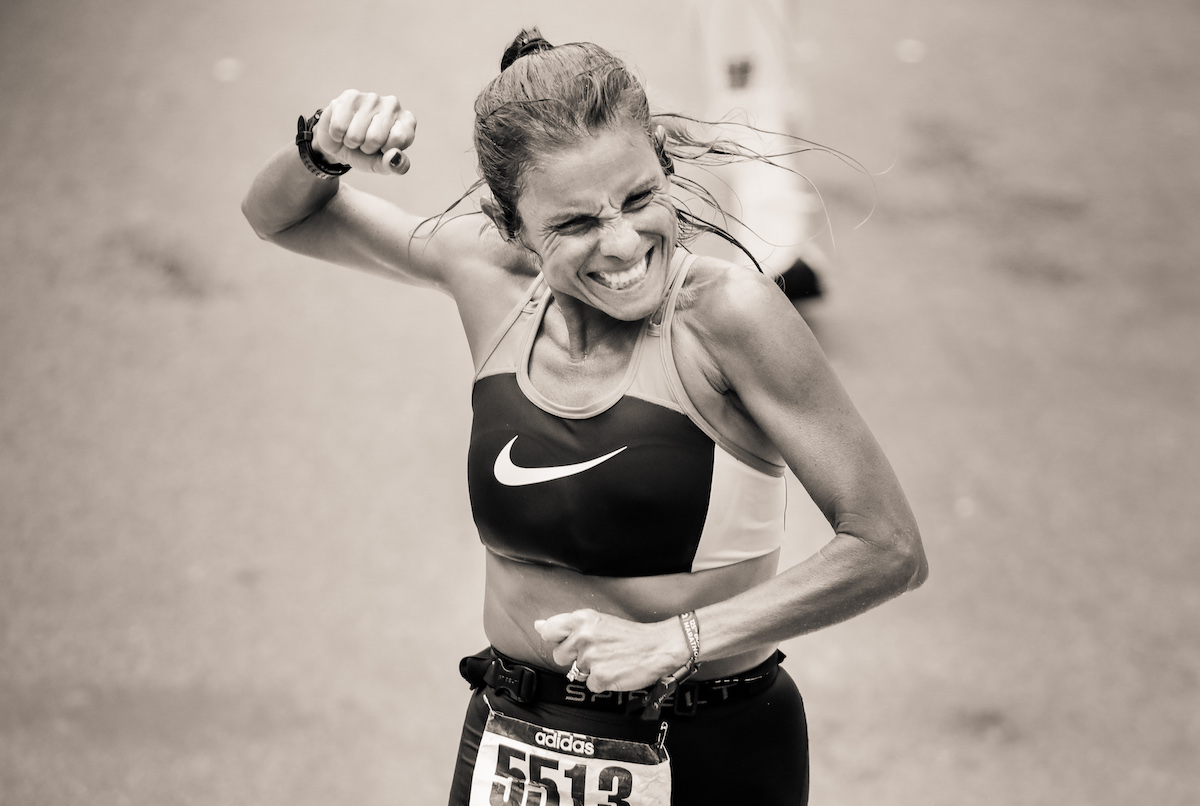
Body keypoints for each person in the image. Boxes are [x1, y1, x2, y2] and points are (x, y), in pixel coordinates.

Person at [242, 28, 926, 806]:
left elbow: (888, 547)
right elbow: (281, 217)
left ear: (664, 166)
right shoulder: (489, 277)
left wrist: (677, 641)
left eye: (639, 199)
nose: (624, 242)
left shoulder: (725, 315)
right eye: (574, 225)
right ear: (512, 228)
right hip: (516, 737)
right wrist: (319, 146)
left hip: (705, 743)